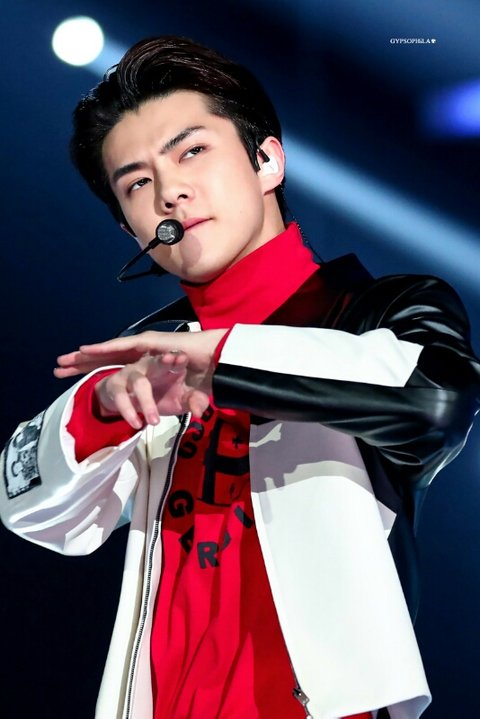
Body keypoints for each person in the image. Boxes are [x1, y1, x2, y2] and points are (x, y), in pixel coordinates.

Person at [1, 35, 479, 719]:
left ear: (267, 160)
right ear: (131, 230)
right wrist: (98, 408)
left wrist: (226, 360)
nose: (170, 192)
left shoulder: (380, 315)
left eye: (192, 151)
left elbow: (434, 404)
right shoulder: (150, 359)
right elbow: (29, 508)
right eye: (136, 183)